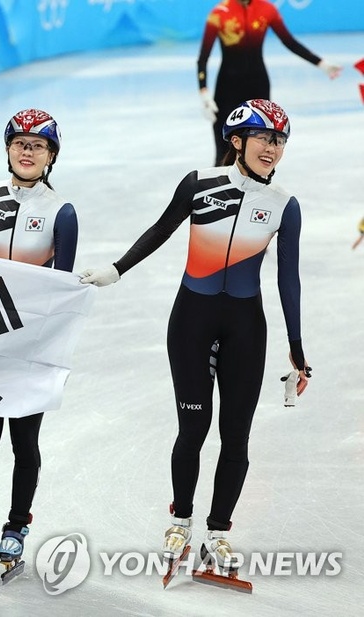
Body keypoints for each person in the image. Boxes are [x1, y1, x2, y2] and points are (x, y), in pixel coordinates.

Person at [80, 99, 311, 580]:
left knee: (237, 436)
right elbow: (161, 229)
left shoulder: (284, 205)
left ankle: (219, 532)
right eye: (264, 137)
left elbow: (288, 278)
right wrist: (116, 270)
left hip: (247, 326)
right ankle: (180, 522)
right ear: (237, 141)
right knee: (194, 428)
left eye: (280, 140)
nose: (272, 148)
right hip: (192, 320)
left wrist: (298, 347)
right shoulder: (200, 183)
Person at [0, 109, 78, 578]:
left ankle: (16, 525)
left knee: (24, 441)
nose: (28, 152)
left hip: (30, 345)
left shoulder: (60, 211)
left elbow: (63, 286)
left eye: (38, 146)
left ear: (51, 156)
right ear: (8, 148)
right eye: (20, 143)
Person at [197, 0, 341, 164]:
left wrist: (321, 63)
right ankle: (221, 187)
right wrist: (204, 92)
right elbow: (203, 57)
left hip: (258, 85)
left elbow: (289, 42)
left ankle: (257, 185)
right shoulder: (219, 13)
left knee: (261, 143)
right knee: (225, 147)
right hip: (227, 89)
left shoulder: (267, 9)